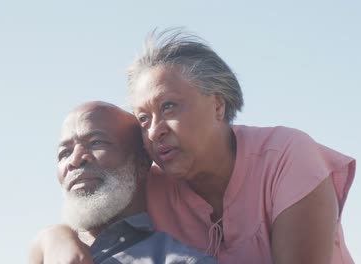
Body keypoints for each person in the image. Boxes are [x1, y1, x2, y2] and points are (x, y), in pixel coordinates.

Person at [31, 29, 356, 264]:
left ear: (217, 105)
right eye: (143, 119)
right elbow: (90, 222)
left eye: (169, 107)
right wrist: (54, 236)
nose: (155, 130)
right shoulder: (151, 184)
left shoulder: (286, 155)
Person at [29, 101, 217, 264]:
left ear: (142, 161)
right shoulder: (50, 251)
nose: (75, 160)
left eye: (96, 143)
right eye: (64, 153)